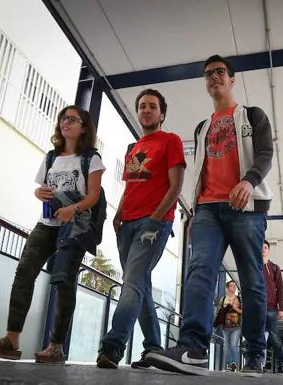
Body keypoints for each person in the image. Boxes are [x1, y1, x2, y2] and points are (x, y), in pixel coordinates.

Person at [146, 54, 274, 377]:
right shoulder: (203, 128)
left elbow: (265, 154)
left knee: (252, 281)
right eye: (208, 74)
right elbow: (200, 172)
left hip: (245, 208)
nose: (214, 77)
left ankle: (256, 353)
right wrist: (195, 212)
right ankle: (193, 348)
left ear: (232, 80)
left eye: (219, 72)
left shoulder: (253, 116)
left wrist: (249, 180)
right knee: (200, 272)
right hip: (208, 211)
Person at [0, 106, 105, 364]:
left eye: (72, 119)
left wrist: (73, 208)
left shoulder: (91, 158)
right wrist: (39, 194)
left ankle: (56, 346)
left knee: (63, 281)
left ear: (84, 127)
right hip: (46, 223)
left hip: (75, 225)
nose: (65, 122)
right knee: (25, 271)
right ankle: (11, 340)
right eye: (63, 118)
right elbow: (42, 188)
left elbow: (93, 196)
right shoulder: (50, 157)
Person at [96, 89, 186, 369]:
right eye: (142, 106)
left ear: (162, 113)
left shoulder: (170, 141)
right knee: (141, 284)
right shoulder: (132, 149)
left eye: (152, 106)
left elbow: (175, 187)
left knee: (132, 282)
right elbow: (129, 187)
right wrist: (118, 215)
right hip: (127, 224)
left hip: (153, 223)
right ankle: (154, 348)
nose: (146, 110)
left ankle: (113, 346)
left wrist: (154, 221)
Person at [261, 240, 283, 374]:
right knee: (261, 338)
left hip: (271, 308)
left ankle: (282, 363)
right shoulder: (254, 267)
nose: (263, 249)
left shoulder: (274, 268)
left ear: (268, 250)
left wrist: (281, 307)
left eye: (265, 247)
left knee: (274, 338)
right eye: (261, 247)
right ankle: (261, 364)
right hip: (257, 308)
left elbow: (280, 288)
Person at [218, 280, 243, 371]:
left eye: (235, 286)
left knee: (233, 345)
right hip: (225, 327)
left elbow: (243, 312)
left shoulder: (239, 299)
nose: (234, 287)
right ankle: (230, 364)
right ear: (227, 288)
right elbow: (219, 312)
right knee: (227, 347)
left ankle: (234, 363)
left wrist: (235, 308)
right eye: (232, 286)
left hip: (236, 326)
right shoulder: (223, 299)